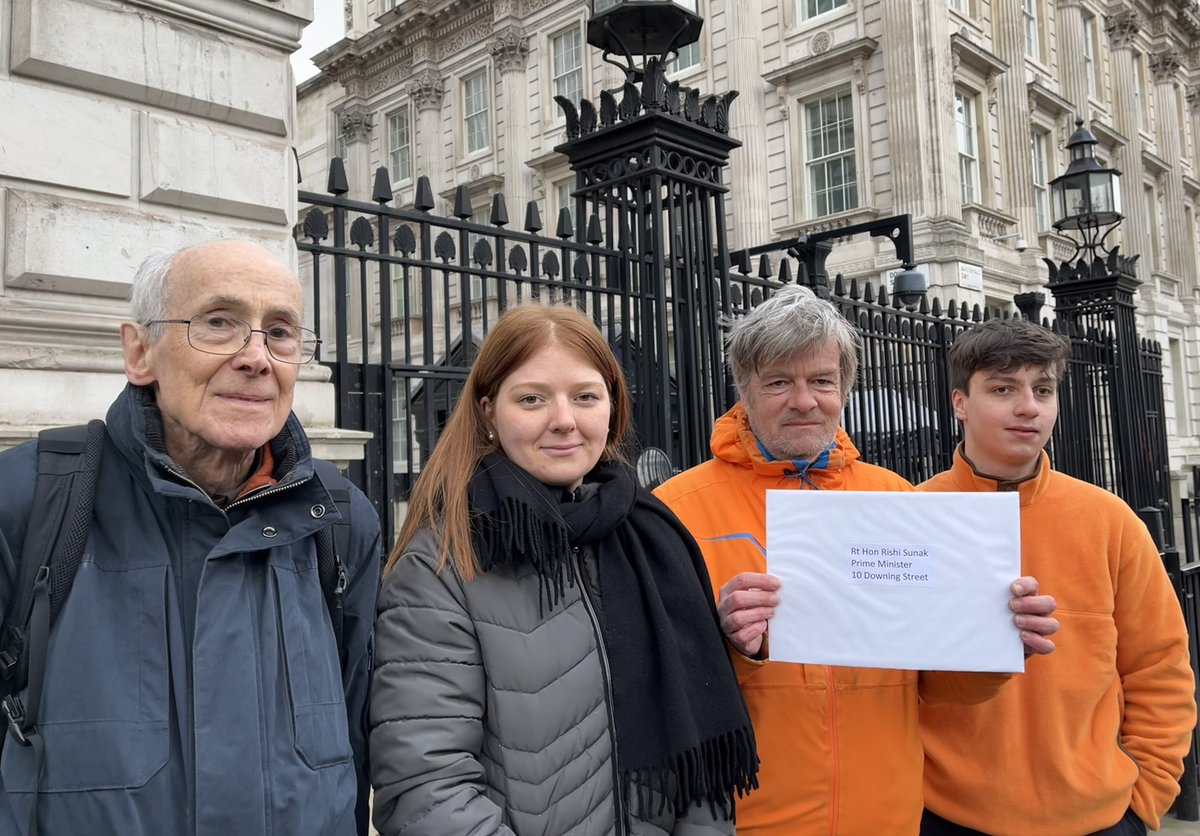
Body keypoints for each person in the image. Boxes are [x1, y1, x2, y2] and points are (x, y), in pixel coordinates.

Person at [0, 240, 381, 835]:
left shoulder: (341, 520)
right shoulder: (30, 498)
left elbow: (358, 749)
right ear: (140, 351)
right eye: (219, 322)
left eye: (279, 332)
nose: (256, 357)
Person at [653, 285, 1059, 835]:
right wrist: (729, 645)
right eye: (778, 382)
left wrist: (993, 643)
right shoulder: (674, 511)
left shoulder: (896, 499)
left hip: (886, 818)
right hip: (746, 822)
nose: (804, 401)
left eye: (821, 381)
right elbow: (652, 684)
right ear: (744, 390)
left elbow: (941, 689)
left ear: (843, 388)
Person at [369, 303, 758, 836]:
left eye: (585, 396)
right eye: (531, 398)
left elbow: (699, 771)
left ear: (611, 407)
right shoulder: (442, 564)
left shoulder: (652, 535)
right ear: (489, 412)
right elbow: (429, 789)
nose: (564, 420)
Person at [918, 317, 1196, 836]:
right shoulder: (911, 514)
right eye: (1003, 389)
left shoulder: (1110, 520)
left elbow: (1159, 667)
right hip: (943, 816)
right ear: (960, 403)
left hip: (1099, 818)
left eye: (1042, 390)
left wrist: (1147, 795)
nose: (1029, 406)